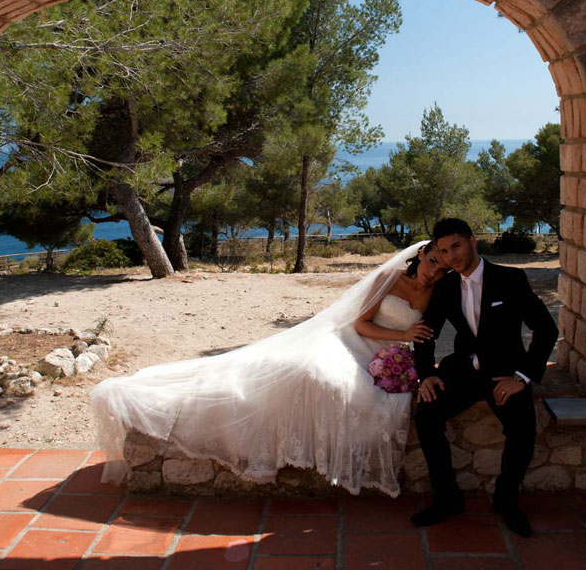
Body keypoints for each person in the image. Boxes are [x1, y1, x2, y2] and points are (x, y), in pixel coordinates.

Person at [90, 241, 446, 496]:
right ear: (421, 255)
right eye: (432, 262)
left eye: (443, 268)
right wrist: (402, 333)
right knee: (303, 370)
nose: (435, 272)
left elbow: (428, 335)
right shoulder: (390, 279)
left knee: (336, 388)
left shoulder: (438, 293)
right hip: (350, 342)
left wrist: (406, 355)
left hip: (379, 358)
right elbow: (361, 324)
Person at [410, 218, 558, 537]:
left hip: (504, 373)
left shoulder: (510, 279)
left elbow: (546, 329)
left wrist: (522, 377)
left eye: (456, 247)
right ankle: (448, 499)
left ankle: (506, 501)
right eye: (444, 251)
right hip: (462, 371)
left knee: (522, 427)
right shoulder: (446, 286)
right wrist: (425, 375)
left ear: (473, 242)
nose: (451, 257)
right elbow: (425, 334)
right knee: (426, 415)